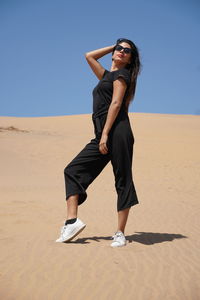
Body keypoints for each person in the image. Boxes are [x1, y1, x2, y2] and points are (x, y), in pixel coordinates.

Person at [56, 38, 141, 247]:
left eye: (126, 51)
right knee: (72, 170)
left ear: (130, 59)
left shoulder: (122, 75)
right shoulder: (106, 76)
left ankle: (120, 233)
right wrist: (112, 47)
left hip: (117, 133)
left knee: (122, 179)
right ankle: (71, 221)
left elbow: (116, 103)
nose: (121, 51)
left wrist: (105, 135)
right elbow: (89, 56)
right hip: (102, 133)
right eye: (119, 48)